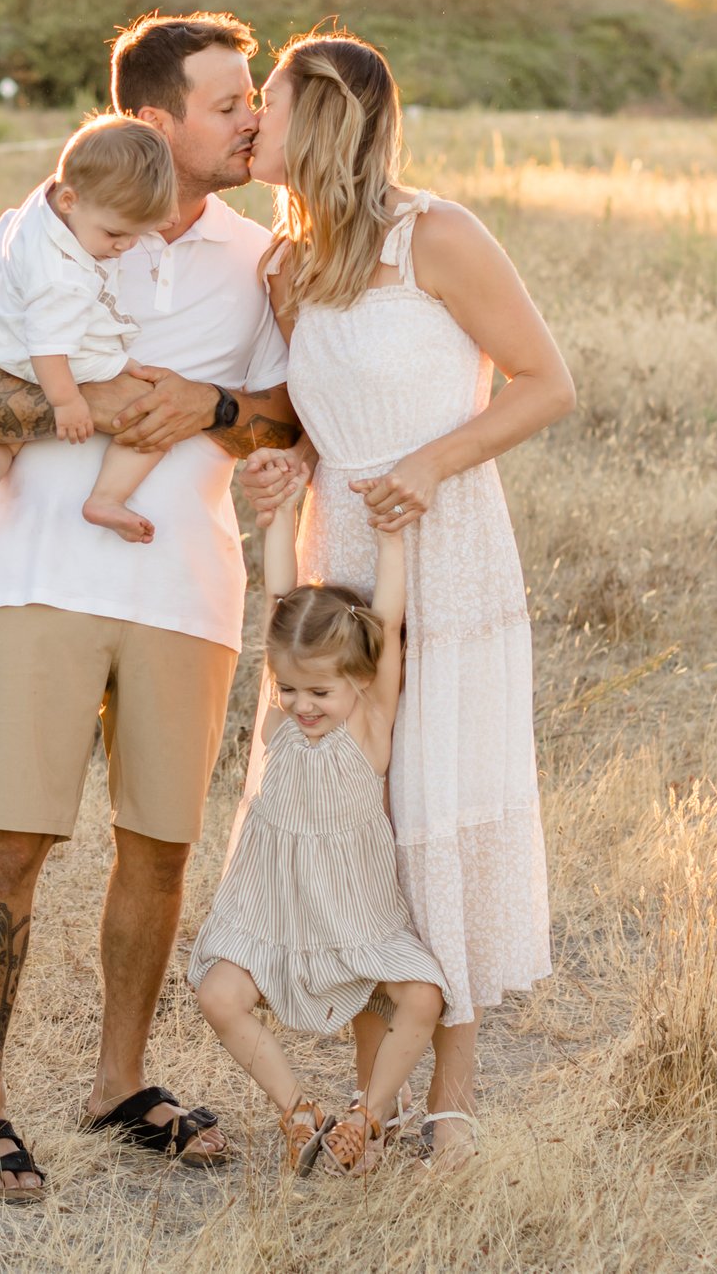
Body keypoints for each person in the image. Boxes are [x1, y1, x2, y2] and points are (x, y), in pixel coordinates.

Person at [0, 13, 303, 1203]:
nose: (251, 117)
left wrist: (202, 404)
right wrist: (82, 408)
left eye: (254, 100)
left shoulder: (259, 254)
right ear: (155, 119)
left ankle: (118, 1082)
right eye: (228, 100)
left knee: (159, 845)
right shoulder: (37, 223)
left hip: (186, 582)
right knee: (15, 839)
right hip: (39, 571)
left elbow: (288, 414)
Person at [239, 28, 575, 1171]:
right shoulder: (282, 266)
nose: (248, 121)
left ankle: (456, 1095)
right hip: (342, 547)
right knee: (354, 813)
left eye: (265, 102)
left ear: (318, 113)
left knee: (437, 801)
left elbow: (546, 381)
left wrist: (432, 464)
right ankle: (367, 1092)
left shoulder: (437, 234)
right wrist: (278, 472)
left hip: (450, 543)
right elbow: (299, 418)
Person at [188, 493, 446, 1177]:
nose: (301, 706)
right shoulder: (282, 716)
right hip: (275, 915)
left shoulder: (367, 723)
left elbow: (386, 624)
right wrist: (273, 518)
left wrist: (392, 541)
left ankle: (368, 1115)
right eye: (290, 688)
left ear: (357, 682)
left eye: (319, 693)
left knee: (423, 994)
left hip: (354, 919)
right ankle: (299, 1107)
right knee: (217, 992)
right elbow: (278, 596)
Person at [0, 115, 180, 545]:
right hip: (57, 359)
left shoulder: (46, 203)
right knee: (153, 419)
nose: (124, 247)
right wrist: (67, 402)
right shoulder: (61, 279)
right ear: (69, 200)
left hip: (8, 349)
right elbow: (49, 348)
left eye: (136, 234)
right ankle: (106, 498)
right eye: (116, 234)